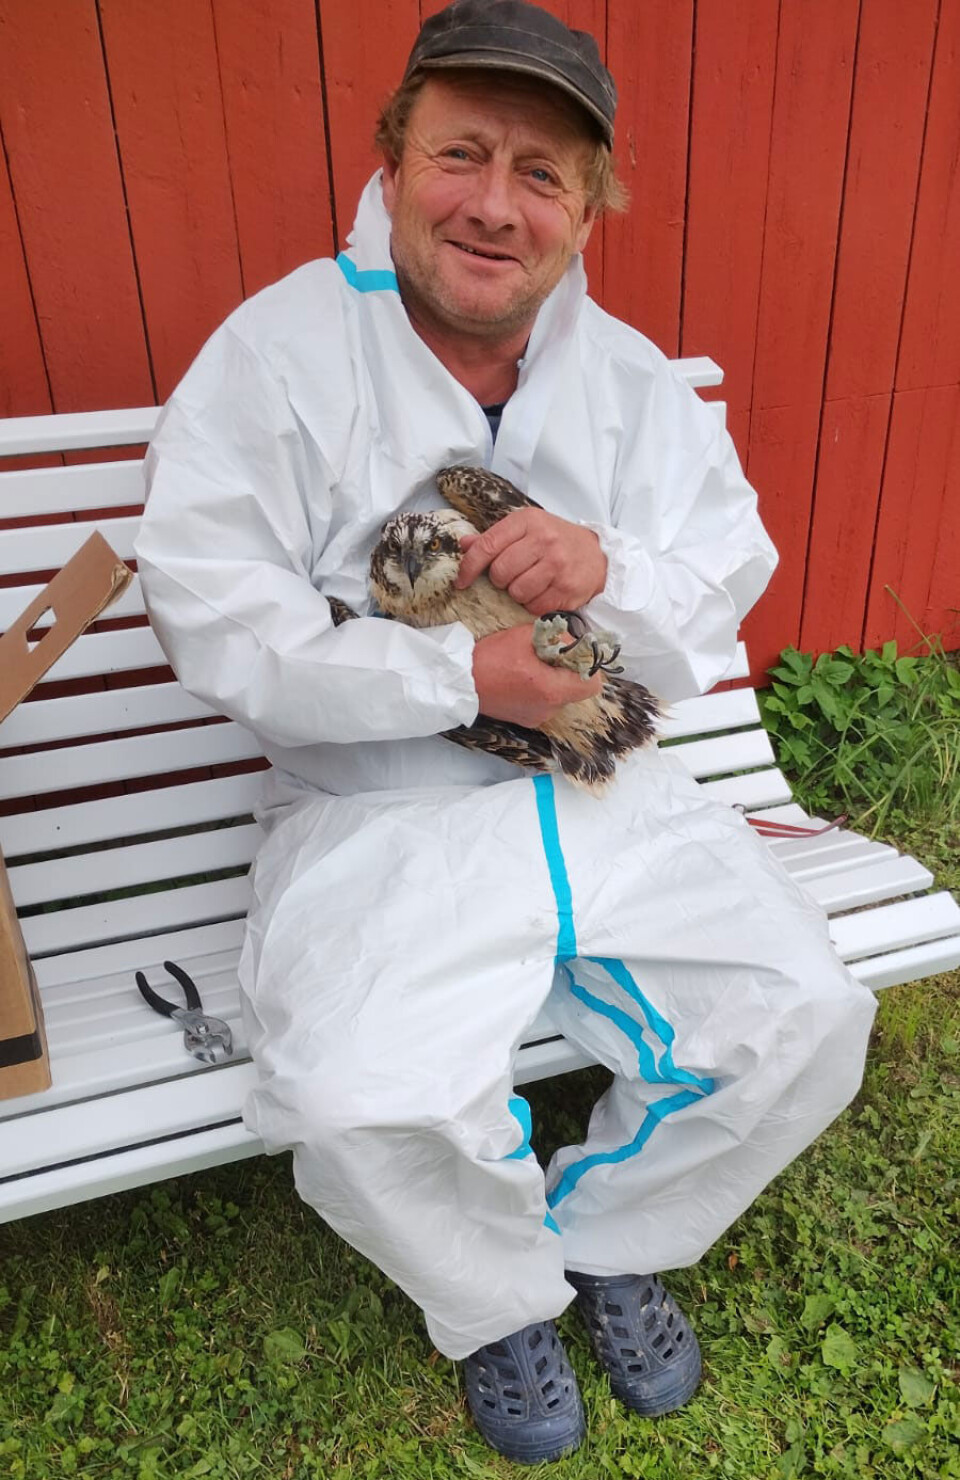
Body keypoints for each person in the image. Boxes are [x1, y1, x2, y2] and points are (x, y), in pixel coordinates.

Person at [135, 0, 877, 1464]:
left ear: (592, 201)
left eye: (542, 172)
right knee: (353, 1105)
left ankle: (609, 1232)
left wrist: (609, 569)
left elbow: (722, 576)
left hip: (615, 796)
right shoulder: (277, 358)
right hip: (384, 809)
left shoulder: (631, 382)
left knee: (805, 1018)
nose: (494, 203)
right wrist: (456, 684)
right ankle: (497, 1305)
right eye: (460, 153)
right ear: (393, 158)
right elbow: (217, 622)